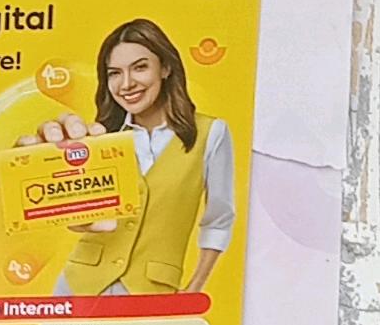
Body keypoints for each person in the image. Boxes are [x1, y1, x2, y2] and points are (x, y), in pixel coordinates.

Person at [22, 18, 234, 299]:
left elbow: (219, 219)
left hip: (152, 290)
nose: (126, 84)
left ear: (166, 68)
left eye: (140, 67)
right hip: (79, 284)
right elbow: (78, 216)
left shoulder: (210, 133)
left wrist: (194, 288)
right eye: (114, 73)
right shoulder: (99, 137)